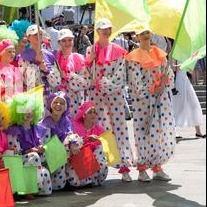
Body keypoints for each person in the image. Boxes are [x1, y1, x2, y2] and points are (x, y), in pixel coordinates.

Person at [86, 18, 134, 182]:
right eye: (103, 29)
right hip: (97, 97)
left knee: (119, 127)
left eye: (108, 29)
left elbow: (120, 75)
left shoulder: (119, 50)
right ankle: (102, 163)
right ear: (97, 31)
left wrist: (104, 83)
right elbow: (87, 75)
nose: (106, 31)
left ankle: (124, 165)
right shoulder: (90, 50)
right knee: (100, 129)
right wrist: (90, 60)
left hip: (114, 96)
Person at [125, 28, 175, 181]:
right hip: (144, 102)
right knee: (143, 132)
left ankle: (157, 166)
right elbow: (135, 81)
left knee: (160, 131)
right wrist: (152, 89)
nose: (146, 36)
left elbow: (169, 74)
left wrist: (164, 83)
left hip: (161, 100)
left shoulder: (159, 53)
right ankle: (142, 169)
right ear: (137, 36)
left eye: (148, 32)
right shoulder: (133, 57)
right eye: (143, 33)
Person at [6, 91, 53, 198]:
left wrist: (41, 150)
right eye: (24, 110)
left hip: (34, 161)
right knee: (34, 157)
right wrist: (30, 151)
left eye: (31, 110)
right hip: (20, 162)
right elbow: (15, 153)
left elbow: (40, 149)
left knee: (46, 184)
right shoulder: (14, 130)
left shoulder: (35, 128)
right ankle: (26, 190)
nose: (28, 113)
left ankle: (32, 187)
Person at [39, 92, 73, 191]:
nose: (58, 105)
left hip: (62, 156)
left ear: (66, 106)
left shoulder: (66, 121)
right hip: (48, 157)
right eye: (56, 102)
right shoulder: (45, 122)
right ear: (50, 104)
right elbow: (44, 144)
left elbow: (71, 136)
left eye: (62, 103)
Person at [52, 29, 90, 116]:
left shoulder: (78, 58)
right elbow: (51, 80)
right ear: (59, 42)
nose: (67, 43)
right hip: (57, 100)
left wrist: (69, 76)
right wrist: (58, 76)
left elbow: (86, 82)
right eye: (64, 41)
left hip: (74, 101)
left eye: (70, 40)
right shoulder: (54, 58)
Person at [70, 102, 109, 187]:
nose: (93, 115)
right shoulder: (74, 126)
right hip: (79, 158)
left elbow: (107, 144)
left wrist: (98, 139)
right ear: (84, 114)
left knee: (100, 148)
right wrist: (85, 140)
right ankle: (87, 180)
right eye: (90, 112)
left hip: (93, 159)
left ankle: (91, 179)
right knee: (74, 182)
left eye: (94, 112)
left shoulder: (99, 129)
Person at [19, 24, 59, 95]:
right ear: (28, 37)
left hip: (48, 97)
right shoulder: (24, 56)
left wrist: (46, 71)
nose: (38, 36)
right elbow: (27, 81)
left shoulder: (49, 55)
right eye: (35, 34)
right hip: (32, 97)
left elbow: (56, 82)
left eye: (40, 34)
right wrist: (37, 63)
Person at [172, 65, 206, 139]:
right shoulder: (173, 53)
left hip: (186, 81)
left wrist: (189, 66)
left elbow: (190, 71)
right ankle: (173, 132)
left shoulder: (187, 55)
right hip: (177, 82)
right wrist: (181, 66)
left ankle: (198, 131)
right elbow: (171, 68)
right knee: (177, 106)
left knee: (194, 104)